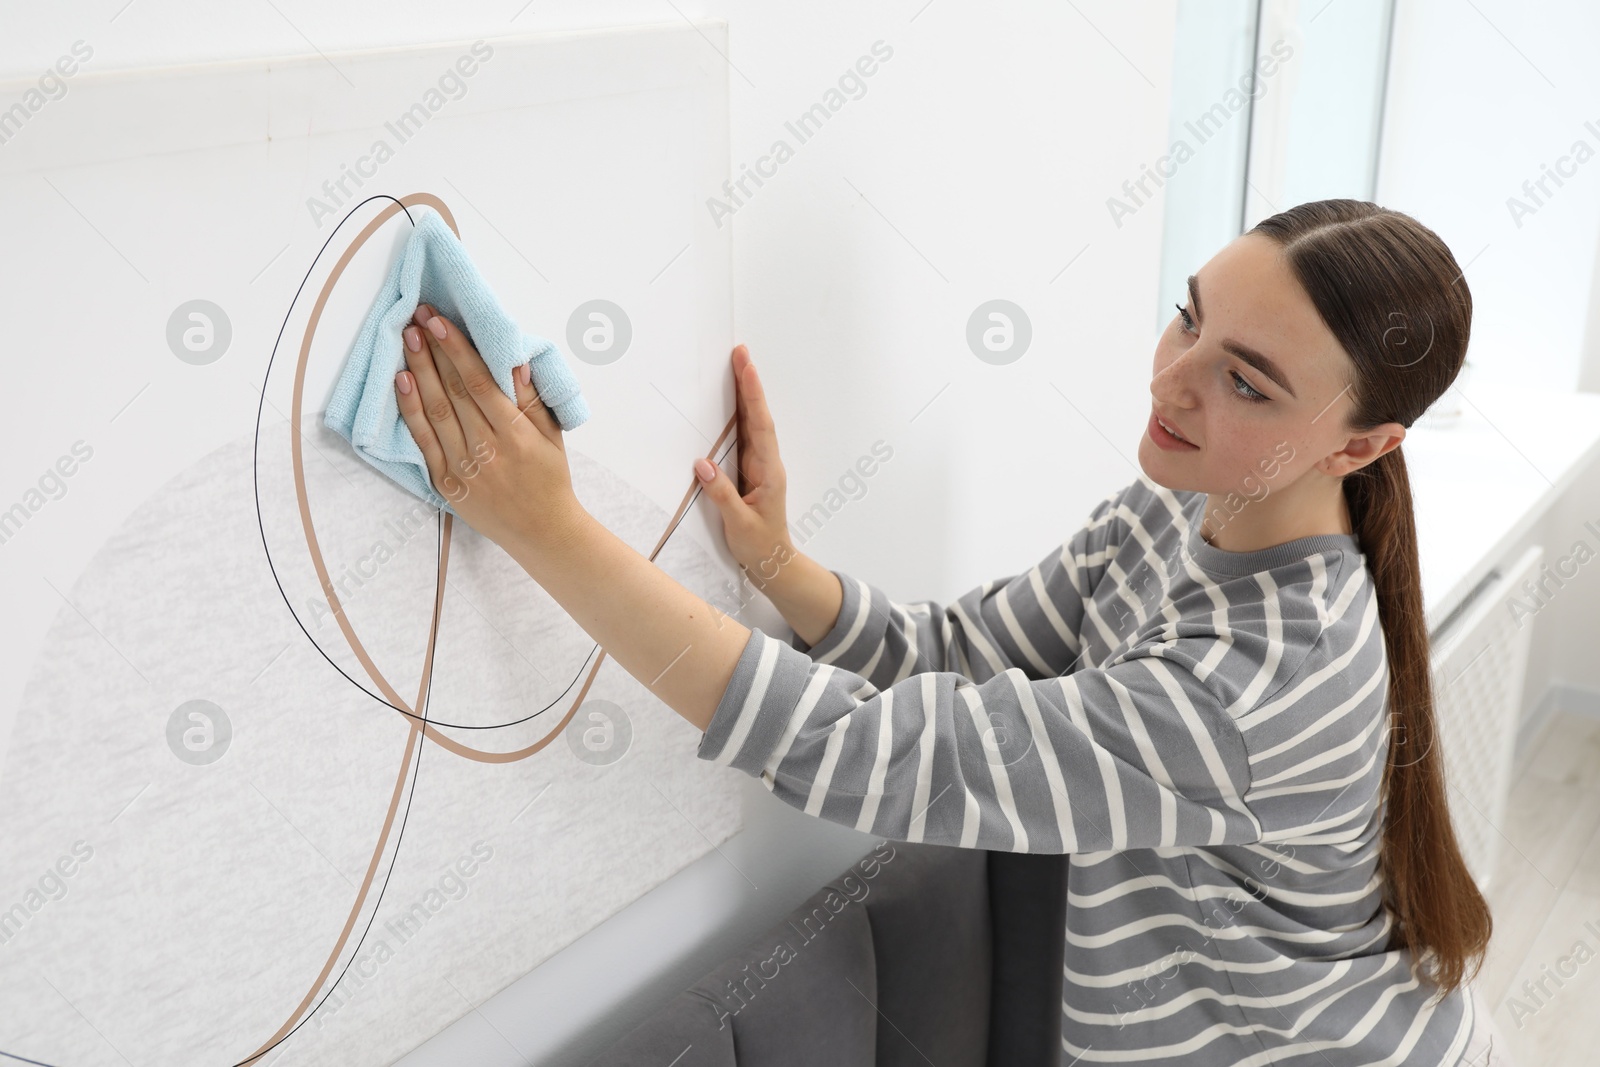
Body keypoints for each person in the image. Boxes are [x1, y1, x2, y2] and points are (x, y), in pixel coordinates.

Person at [390, 198, 1507, 1065]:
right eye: (1188, 314)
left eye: (1245, 381)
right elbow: (973, 652)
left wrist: (546, 527)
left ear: (1357, 448)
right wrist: (780, 566)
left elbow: (868, 751)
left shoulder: (1253, 688)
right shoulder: (1185, 502)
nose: (1171, 378)